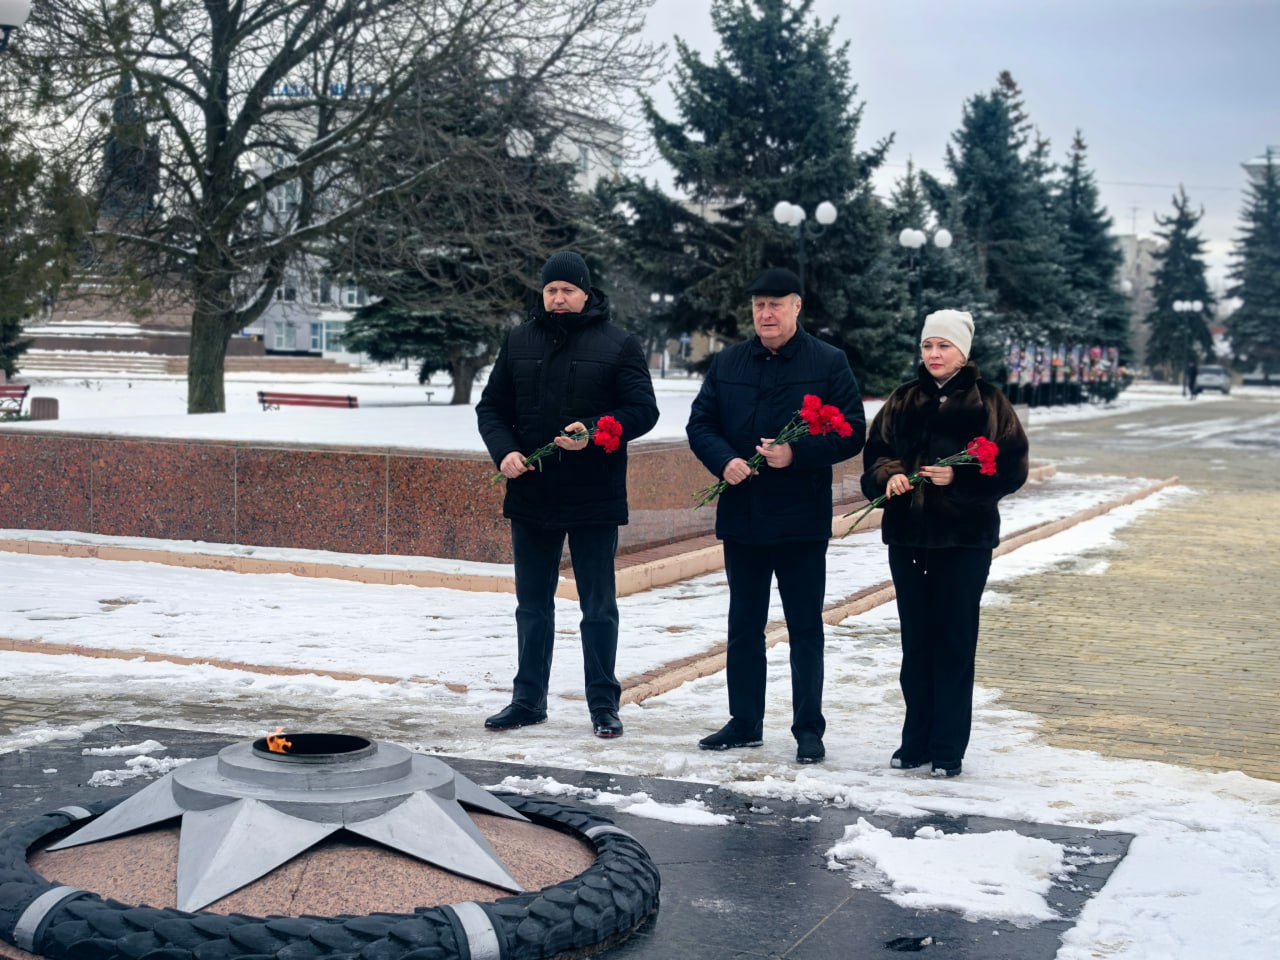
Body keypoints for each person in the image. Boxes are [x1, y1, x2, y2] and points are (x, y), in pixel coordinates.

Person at [476, 251, 659, 739]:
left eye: (568, 290)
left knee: (597, 606)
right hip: (532, 494)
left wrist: (598, 431)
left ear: (585, 293)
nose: (558, 298)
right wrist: (505, 452)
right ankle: (527, 700)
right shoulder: (518, 341)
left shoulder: (618, 344)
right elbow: (491, 407)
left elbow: (643, 410)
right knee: (532, 605)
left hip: (593, 495)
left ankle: (604, 703)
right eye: (551, 290)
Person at [686, 267, 865, 764]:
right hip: (743, 516)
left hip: (800, 520)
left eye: (776, 304)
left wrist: (798, 453)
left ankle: (808, 728)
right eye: (759, 304)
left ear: (797, 307)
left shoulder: (828, 362)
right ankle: (745, 721)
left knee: (804, 626)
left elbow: (852, 430)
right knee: (744, 625)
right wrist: (724, 459)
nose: (766, 313)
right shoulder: (729, 362)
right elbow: (700, 423)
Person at [860, 309, 1028, 778]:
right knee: (916, 642)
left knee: (954, 641)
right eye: (928, 346)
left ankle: (949, 746)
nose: (934, 354)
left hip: (963, 542)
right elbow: (875, 455)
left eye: (944, 346)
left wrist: (959, 477)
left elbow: (1013, 468)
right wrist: (889, 478)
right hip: (909, 538)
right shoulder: (902, 400)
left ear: (963, 352)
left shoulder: (990, 403)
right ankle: (915, 740)